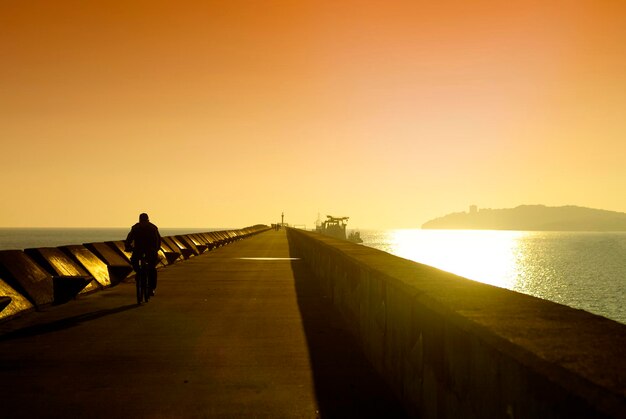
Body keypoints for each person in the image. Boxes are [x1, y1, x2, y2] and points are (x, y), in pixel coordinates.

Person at [125, 213, 161, 296]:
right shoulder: (138, 228)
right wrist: (128, 246)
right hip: (140, 249)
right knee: (135, 262)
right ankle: (139, 274)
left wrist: (155, 249)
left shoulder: (151, 228)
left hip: (148, 250)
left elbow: (157, 240)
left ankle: (151, 287)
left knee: (151, 268)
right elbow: (129, 238)